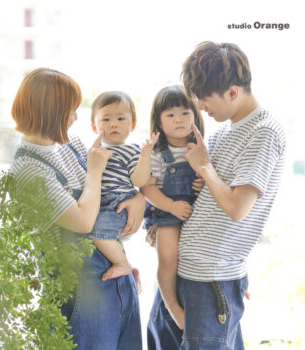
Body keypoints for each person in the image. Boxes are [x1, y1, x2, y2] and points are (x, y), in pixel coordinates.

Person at [147, 42, 286, 350]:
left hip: (210, 280)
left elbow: (238, 208)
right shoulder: (224, 131)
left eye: (204, 99)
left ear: (233, 92)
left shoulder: (264, 131)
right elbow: (209, 197)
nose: (200, 108)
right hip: (187, 272)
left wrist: (206, 169)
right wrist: (164, 221)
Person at [9, 68, 145, 349]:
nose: (75, 116)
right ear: (52, 111)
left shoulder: (71, 145)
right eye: (70, 109)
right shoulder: (29, 170)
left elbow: (111, 195)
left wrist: (138, 199)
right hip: (82, 295)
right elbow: (84, 222)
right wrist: (95, 171)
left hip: (117, 280)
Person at [140, 85, 205, 330]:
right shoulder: (156, 152)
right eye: (170, 115)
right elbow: (147, 188)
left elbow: (208, 178)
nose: (178, 119)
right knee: (168, 257)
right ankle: (173, 306)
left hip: (195, 212)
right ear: (158, 120)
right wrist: (171, 206)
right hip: (166, 211)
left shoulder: (200, 147)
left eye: (184, 113)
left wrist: (202, 182)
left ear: (195, 117)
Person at [88, 91, 159, 282]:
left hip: (119, 203)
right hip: (100, 204)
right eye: (106, 119)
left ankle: (123, 264)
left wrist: (144, 157)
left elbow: (139, 181)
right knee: (98, 232)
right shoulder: (94, 151)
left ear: (132, 124)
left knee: (96, 231)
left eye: (120, 118)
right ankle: (128, 270)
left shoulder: (131, 150)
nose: (113, 124)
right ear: (94, 126)